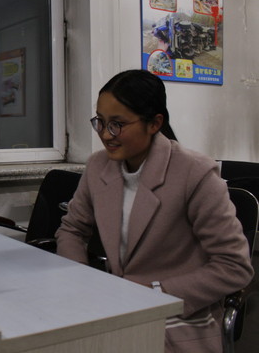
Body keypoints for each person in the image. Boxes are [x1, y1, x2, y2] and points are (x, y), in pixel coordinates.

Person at [55, 69, 253, 352]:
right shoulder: (98, 166)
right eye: (100, 121)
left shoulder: (195, 173)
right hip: (115, 311)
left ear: (154, 123)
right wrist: (82, 282)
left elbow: (234, 267)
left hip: (177, 320)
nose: (105, 134)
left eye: (117, 124)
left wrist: (155, 294)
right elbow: (72, 229)